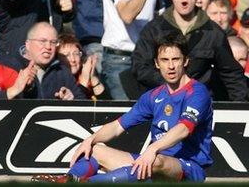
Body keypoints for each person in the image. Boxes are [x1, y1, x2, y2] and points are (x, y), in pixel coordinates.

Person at [33, 32, 213, 183]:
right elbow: (118, 126)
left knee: (156, 162)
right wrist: (91, 139)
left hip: (187, 168)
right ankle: (68, 179)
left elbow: (183, 129)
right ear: (157, 63)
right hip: (149, 164)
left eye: (176, 59)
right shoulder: (154, 96)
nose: (171, 66)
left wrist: (152, 148)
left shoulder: (197, 92)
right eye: (165, 60)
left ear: (186, 61)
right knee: (96, 150)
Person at [131, 0, 248, 102]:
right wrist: (172, 83)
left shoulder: (213, 32)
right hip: (162, 103)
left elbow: (231, 74)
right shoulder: (154, 29)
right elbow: (140, 67)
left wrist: (240, 109)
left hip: (199, 104)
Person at [2, 22, 86, 100]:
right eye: (42, 41)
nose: (48, 47)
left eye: (53, 42)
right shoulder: (9, 67)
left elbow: (82, 104)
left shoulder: (61, 71)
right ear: (28, 44)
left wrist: (71, 98)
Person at [57, 33, 108, 99]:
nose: (73, 60)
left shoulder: (83, 73)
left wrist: (93, 78)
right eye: (67, 55)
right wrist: (84, 81)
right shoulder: (57, 79)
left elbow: (107, 105)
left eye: (76, 54)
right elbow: (77, 105)